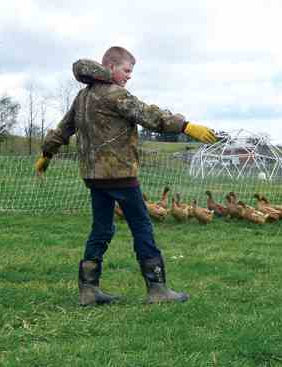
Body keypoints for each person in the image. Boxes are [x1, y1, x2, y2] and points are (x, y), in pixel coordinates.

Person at [35, 46, 217, 306]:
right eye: (126, 70)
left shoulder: (82, 97)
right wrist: (186, 126)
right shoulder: (115, 94)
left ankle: (88, 290)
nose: (129, 76)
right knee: (142, 226)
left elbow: (64, 129)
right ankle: (157, 288)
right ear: (110, 67)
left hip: (94, 176)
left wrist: (47, 154)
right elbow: (150, 116)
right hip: (120, 173)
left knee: (102, 227)